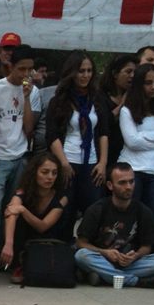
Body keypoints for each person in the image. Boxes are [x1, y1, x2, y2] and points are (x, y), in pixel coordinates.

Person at [47, 51, 109, 240]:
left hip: (92, 162)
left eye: (89, 71)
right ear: (72, 72)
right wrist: (63, 163)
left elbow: (104, 133)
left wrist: (102, 163)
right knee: (65, 210)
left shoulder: (97, 99)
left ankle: (88, 248)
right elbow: (52, 135)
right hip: (68, 159)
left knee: (93, 209)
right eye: (81, 71)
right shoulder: (59, 101)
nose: (85, 75)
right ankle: (61, 248)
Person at [74, 163, 154, 287]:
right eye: (122, 183)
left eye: (131, 182)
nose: (128, 187)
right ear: (110, 185)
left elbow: (147, 247)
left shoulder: (143, 211)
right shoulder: (97, 209)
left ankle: (105, 277)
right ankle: (136, 281)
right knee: (81, 256)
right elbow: (81, 243)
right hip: (103, 260)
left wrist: (135, 256)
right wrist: (105, 253)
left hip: (130, 263)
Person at [0, 44, 39, 251]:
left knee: (12, 208)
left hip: (20, 155)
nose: (25, 74)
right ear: (11, 66)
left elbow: (29, 128)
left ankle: (4, 253)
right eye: (21, 69)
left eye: (29, 69)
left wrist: (26, 97)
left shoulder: (32, 91)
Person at [118, 63, 154, 243]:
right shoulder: (127, 109)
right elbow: (132, 142)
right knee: (130, 216)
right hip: (133, 168)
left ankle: (151, 251)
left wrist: (142, 135)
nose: (153, 87)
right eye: (148, 82)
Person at [0, 152, 68, 284]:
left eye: (54, 173)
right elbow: (11, 212)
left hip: (49, 241)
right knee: (13, 215)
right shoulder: (22, 192)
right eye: (45, 172)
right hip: (25, 240)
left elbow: (43, 226)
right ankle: (17, 263)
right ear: (34, 172)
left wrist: (23, 210)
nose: (50, 177)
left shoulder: (62, 197)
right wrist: (8, 244)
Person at [99, 54, 137, 166]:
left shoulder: (135, 97)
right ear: (115, 74)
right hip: (106, 154)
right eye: (128, 72)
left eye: (135, 72)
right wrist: (122, 105)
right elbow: (103, 123)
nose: (132, 76)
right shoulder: (101, 96)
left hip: (128, 156)